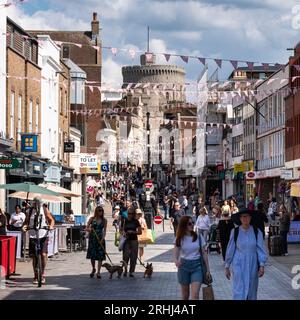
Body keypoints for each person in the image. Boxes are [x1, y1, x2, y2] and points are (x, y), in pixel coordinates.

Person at [225, 209, 268, 300]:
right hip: (238, 264)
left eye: (247, 216)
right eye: (243, 216)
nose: (245, 218)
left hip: (252, 264)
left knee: (251, 289)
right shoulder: (235, 232)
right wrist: (227, 266)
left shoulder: (257, 232)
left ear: (250, 218)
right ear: (240, 219)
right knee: (239, 289)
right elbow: (230, 249)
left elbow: (260, 249)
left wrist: (262, 265)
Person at [173, 216, 211, 300]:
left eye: (193, 223)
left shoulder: (198, 237)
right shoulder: (179, 238)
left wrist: (208, 270)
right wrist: (176, 260)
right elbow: (175, 252)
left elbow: (204, 254)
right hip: (183, 267)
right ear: (184, 225)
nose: (192, 225)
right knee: (185, 295)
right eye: (189, 224)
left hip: (197, 266)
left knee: (195, 295)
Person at [22, 197, 55, 284]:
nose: (37, 204)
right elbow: (26, 222)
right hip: (33, 235)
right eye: (35, 203)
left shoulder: (44, 210)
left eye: (38, 203)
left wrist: (51, 226)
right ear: (33, 203)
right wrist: (24, 227)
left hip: (43, 234)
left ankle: (42, 273)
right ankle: (35, 275)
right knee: (34, 257)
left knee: (43, 255)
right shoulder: (29, 211)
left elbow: (51, 220)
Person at [120, 207, 142, 277]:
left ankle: (131, 271)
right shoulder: (124, 220)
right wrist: (123, 232)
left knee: (133, 256)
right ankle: (125, 270)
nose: (130, 215)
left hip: (134, 240)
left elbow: (140, 232)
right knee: (125, 256)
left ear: (134, 214)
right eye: (129, 213)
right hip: (126, 240)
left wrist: (133, 232)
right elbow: (120, 230)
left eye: (132, 214)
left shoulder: (136, 221)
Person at [86, 206, 107, 279]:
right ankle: (93, 268)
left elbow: (104, 231)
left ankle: (98, 272)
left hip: (100, 239)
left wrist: (103, 238)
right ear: (96, 211)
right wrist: (90, 229)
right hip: (93, 239)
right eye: (99, 210)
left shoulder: (104, 220)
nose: (100, 212)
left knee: (100, 256)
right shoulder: (92, 219)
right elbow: (87, 228)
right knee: (92, 256)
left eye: (101, 210)